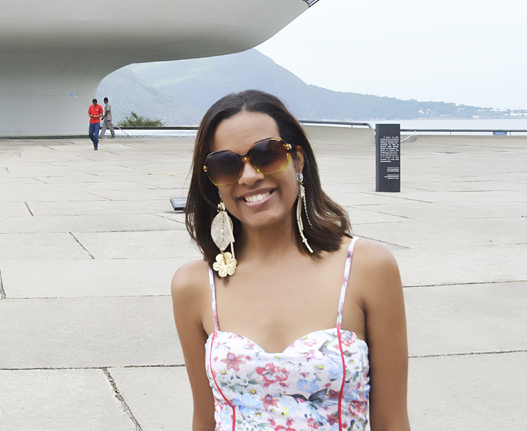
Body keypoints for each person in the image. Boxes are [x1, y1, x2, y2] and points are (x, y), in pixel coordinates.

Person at [171, 90, 408, 431]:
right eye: (227, 165)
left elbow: (393, 423)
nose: (249, 176)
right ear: (214, 184)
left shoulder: (366, 268)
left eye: (266, 155)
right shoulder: (194, 285)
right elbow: (204, 419)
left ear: (297, 160)